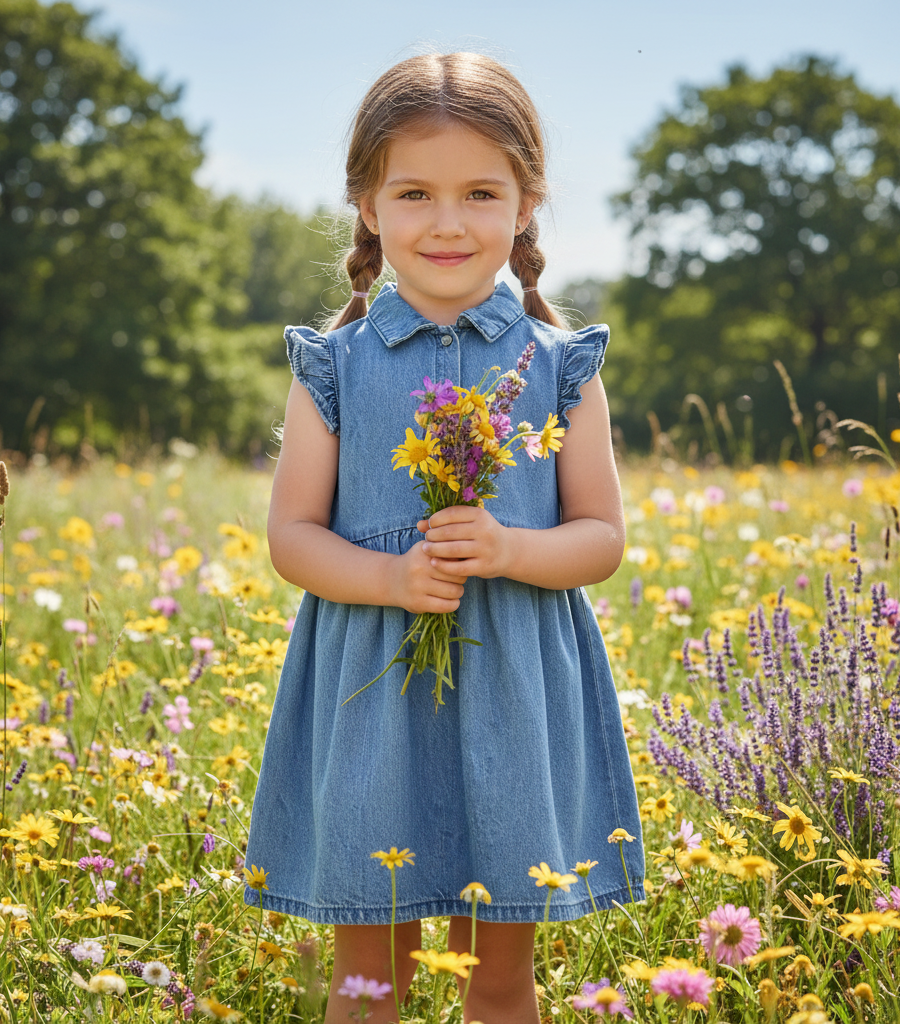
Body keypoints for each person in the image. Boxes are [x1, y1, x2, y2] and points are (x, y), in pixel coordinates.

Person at [244, 52, 644, 1024]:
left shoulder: (559, 365)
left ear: (527, 203)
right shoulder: (331, 366)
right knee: (369, 983)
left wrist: (508, 550)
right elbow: (292, 537)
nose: (449, 222)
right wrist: (391, 578)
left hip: (515, 700)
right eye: (414, 192)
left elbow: (599, 538)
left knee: (497, 980)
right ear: (369, 207)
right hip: (372, 697)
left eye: (480, 192)